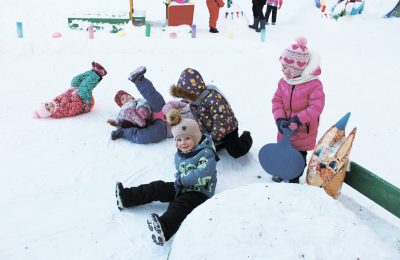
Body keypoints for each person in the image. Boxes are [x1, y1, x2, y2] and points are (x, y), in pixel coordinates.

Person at [115, 109, 218, 246]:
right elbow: (181, 169)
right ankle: (127, 197)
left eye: (187, 138)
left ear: (196, 138)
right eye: (179, 140)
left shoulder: (206, 153)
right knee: (158, 187)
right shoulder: (182, 152)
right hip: (182, 185)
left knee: (179, 205)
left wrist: (183, 180)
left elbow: (204, 173)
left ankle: (164, 228)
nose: (183, 143)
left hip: (200, 192)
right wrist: (180, 179)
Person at [271, 36, 325, 183]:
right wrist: (280, 119)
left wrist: (298, 120)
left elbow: (316, 107)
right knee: (283, 152)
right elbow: (277, 101)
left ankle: (294, 176)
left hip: (302, 130)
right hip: (285, 129)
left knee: (298, 157)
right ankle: (281, 172)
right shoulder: (284, 82)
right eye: (282, 66)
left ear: (297, 68)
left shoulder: (313, 85)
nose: (283, 70)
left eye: (286, 68)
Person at [170, 68, 253, 159]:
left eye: (187, 97)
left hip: (228, 129)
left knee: (235, 151)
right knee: (206, 149)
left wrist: (212, 138)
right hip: (212, 132)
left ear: (193, 93)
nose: (186, 100)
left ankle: (246, 136)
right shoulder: (194, 101)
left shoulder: (213, 99)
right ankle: (220, 142)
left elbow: (222, 122)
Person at [109, 66, 193, 144]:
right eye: (123, 99)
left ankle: (127, 130)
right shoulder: (123, 110)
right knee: (155, 100)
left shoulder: (138, 100)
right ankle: (139, 81)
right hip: (162, 118)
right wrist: (118, 123)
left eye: (127, 95)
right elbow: (175, 103)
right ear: (120, 105)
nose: (126, 98)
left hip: (163, 122)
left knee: (147, 135)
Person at [33, 62, 107, 119]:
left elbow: (65, 95)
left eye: (46, 105)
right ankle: (99, 73)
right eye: (48, 109)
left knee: (74, 81)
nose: (49, 105)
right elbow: (75, 108)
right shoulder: (61, 111)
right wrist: (75, 95)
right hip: (86, 104)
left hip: (78, 95)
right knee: (82, 90)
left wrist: (70, 91)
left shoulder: (55, 100)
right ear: (50, 113)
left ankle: (93, 72)